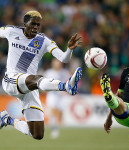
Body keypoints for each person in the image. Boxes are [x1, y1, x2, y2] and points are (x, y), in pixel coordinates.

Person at [0, 10, 82, 140]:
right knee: (36, 79)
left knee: (37, 134)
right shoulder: (11, 31)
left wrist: (69, 50)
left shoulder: (43, 40)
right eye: (33, 24)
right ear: (25, 23)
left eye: (38, 25)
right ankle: (66, 86)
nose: (36, 27)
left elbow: (64, 59)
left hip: (30, 88)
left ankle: (7, 120)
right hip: (12, 79)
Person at [43, 59, 70, 139]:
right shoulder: (48, 73)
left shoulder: (65, 72)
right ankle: (54, 129)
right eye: (56, 63)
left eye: (59, 63)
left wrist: (66, 90)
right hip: (52, 94)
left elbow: (69, 82)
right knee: (53, 111)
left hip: (62, 95)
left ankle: (60, 126)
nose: (57, 65)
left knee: (61, 112)